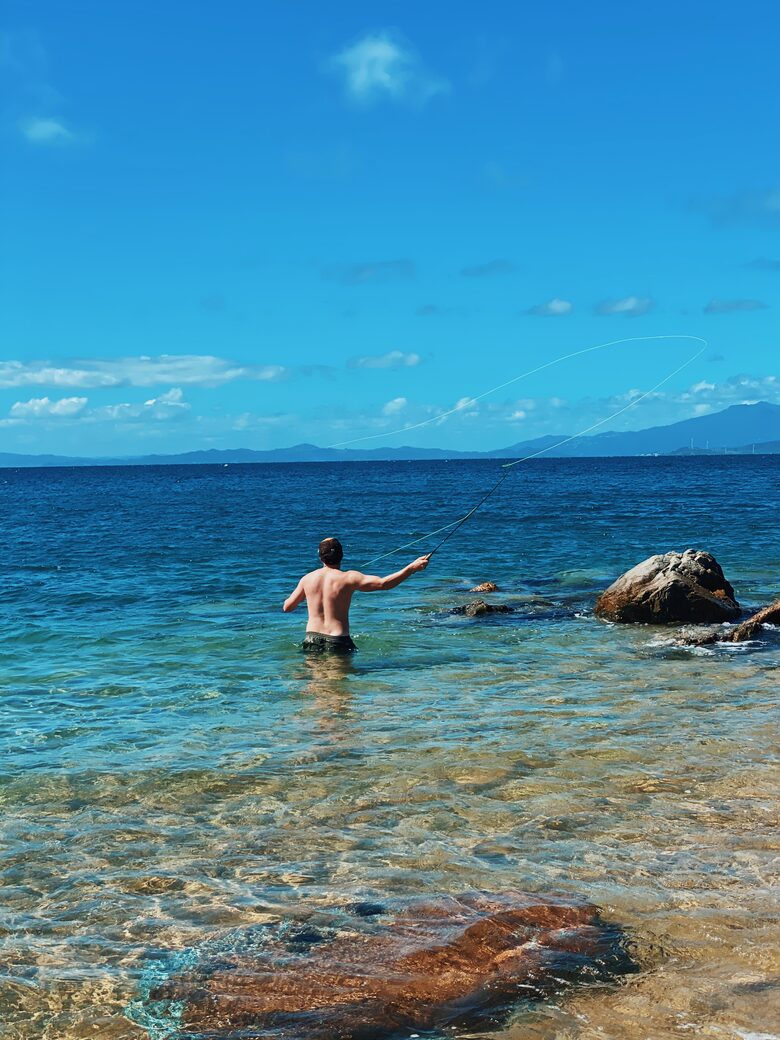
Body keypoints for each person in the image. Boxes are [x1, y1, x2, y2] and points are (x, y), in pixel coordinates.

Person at [283, 537, 429, 652]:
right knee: (339, 686)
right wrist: (411, 568)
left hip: (312, 638)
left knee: (316, 685)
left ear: (321, 557)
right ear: (342, 555)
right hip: (337, 639)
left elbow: (287, 607)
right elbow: (384, 584)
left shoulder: (308, 578)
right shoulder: (349, 577)